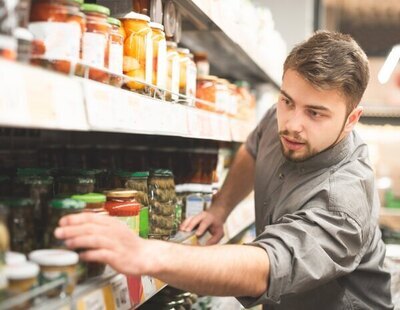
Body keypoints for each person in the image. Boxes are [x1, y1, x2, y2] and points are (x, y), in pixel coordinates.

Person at [54, 31, 393, 309]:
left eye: (315, 113)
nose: (292, 124)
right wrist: (220, 207)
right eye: (287, 101)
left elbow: (266, 267)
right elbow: (253, 147)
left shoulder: (343, 201)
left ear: (352, 120)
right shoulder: (285, 119)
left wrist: (146, 252)